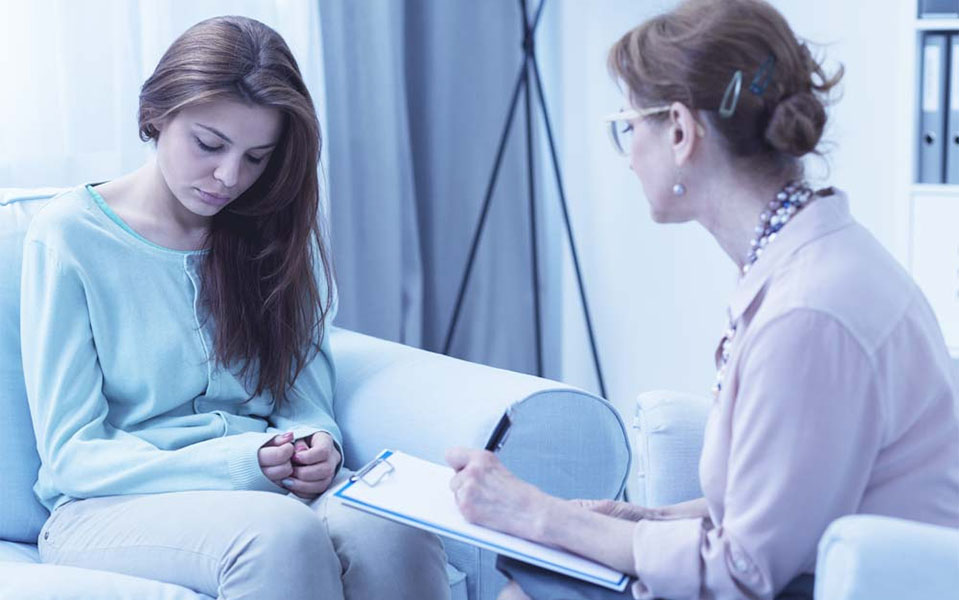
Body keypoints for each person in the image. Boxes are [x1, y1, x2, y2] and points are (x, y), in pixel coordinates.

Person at [444, 1, 959, 599]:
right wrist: (642, 520)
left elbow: (743, 571)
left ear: (682, 132)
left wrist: (541, 515)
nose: (629, 151)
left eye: (629, 125)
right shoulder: (808, 259)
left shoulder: (809, 313)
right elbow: (778, 503)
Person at [20, 15, 449, 600]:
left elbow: (304, 401)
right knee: (280, 537)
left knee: (391, 525)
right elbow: (73, 455)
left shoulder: (270, 230)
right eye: (209, 144)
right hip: (108, 504)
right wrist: (242, 461)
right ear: (156, 115)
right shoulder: (71, 235)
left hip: (262, 481)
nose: (229, 177)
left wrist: (316, 447)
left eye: (257, 157)